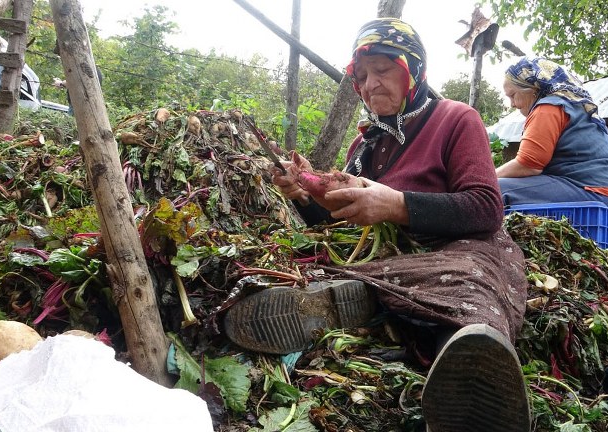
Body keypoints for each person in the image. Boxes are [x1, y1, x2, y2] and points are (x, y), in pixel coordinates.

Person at [224, 18, 531, 432]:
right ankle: (358, 305)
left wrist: (397, 204)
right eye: (363, 77)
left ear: (413, 69)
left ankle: (471, 376)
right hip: (388, 259)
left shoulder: (456, 119)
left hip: (459, 249)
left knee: (465, 284)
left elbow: (485, 208)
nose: (370, 84)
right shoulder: (365, 143)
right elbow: (338, 221)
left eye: (383, 70)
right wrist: (304, 194)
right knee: (336, 266)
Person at [496, 57, 608, 217]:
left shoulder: (548, 108)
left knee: (491, 191)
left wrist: (483, 179)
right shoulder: (576, 106)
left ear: (532, 88)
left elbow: (528, 165)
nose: (512, 104)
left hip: (594, 193)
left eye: (512, 95)